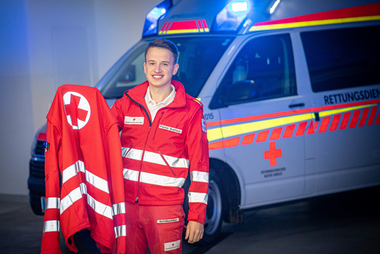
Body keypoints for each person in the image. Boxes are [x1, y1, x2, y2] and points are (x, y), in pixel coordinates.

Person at [111, 39, 209, 254]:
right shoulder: (126, 102)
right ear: (144, 67)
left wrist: (196, 217)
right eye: (152, 63)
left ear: (175, 68)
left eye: (164, 64)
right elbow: (99, 134)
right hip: (125, 206)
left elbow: (200, 168)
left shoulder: (191, 110)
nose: (157, 69)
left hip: (165, 208)